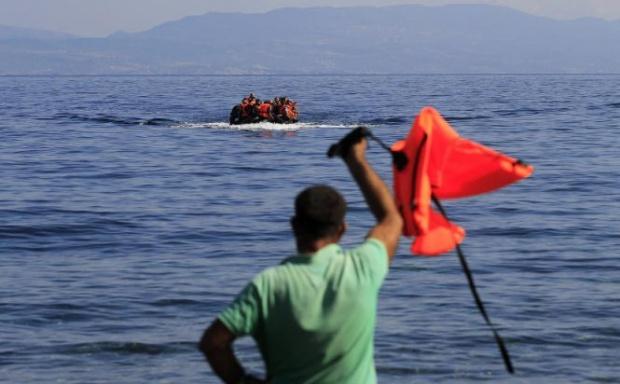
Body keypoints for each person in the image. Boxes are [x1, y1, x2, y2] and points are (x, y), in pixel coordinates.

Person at [199, 129, 403, 384]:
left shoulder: (268, 286)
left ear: (294, 225)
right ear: (342, 229)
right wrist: (355, 159)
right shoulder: (362, 269)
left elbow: (212, 343)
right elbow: (392, 219)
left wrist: (244, 381)